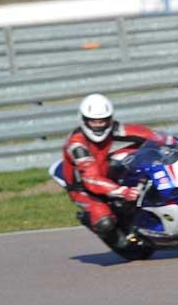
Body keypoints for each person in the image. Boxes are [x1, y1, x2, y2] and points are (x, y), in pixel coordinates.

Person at [61, 93, 172, 247]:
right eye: (94, 122)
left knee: (141, 157)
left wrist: (168, 141)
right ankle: (111, 235)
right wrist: (123, 191)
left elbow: (142, 133)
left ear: (110, 119)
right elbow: (91, 179)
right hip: (82, 187)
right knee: (105, 222)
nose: (99, 125)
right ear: (84, 120)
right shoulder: (76, 145)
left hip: (104, 169)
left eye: (103, 121)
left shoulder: (113, 128)